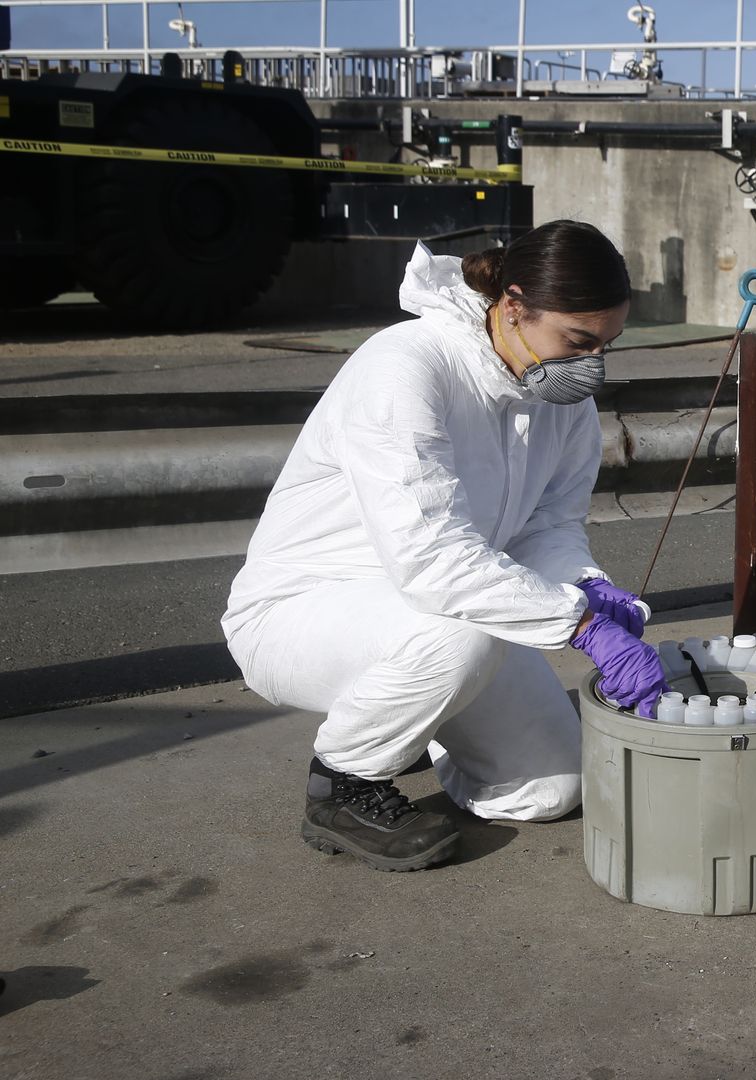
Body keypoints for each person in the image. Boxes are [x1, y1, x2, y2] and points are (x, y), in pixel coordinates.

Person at [222, 221, 665, 872]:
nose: (591, 364)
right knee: (461, 640)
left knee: (553, 787)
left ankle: (427, 714)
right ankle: (343, 780)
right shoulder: (406, 368)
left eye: (606, 345)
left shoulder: (560, 402)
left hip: (437, 613)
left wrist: (587, 585)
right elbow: (431, 561)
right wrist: (581, 623)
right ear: (513, 305)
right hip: (304, 614)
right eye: (578, 340)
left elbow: (548, 526)